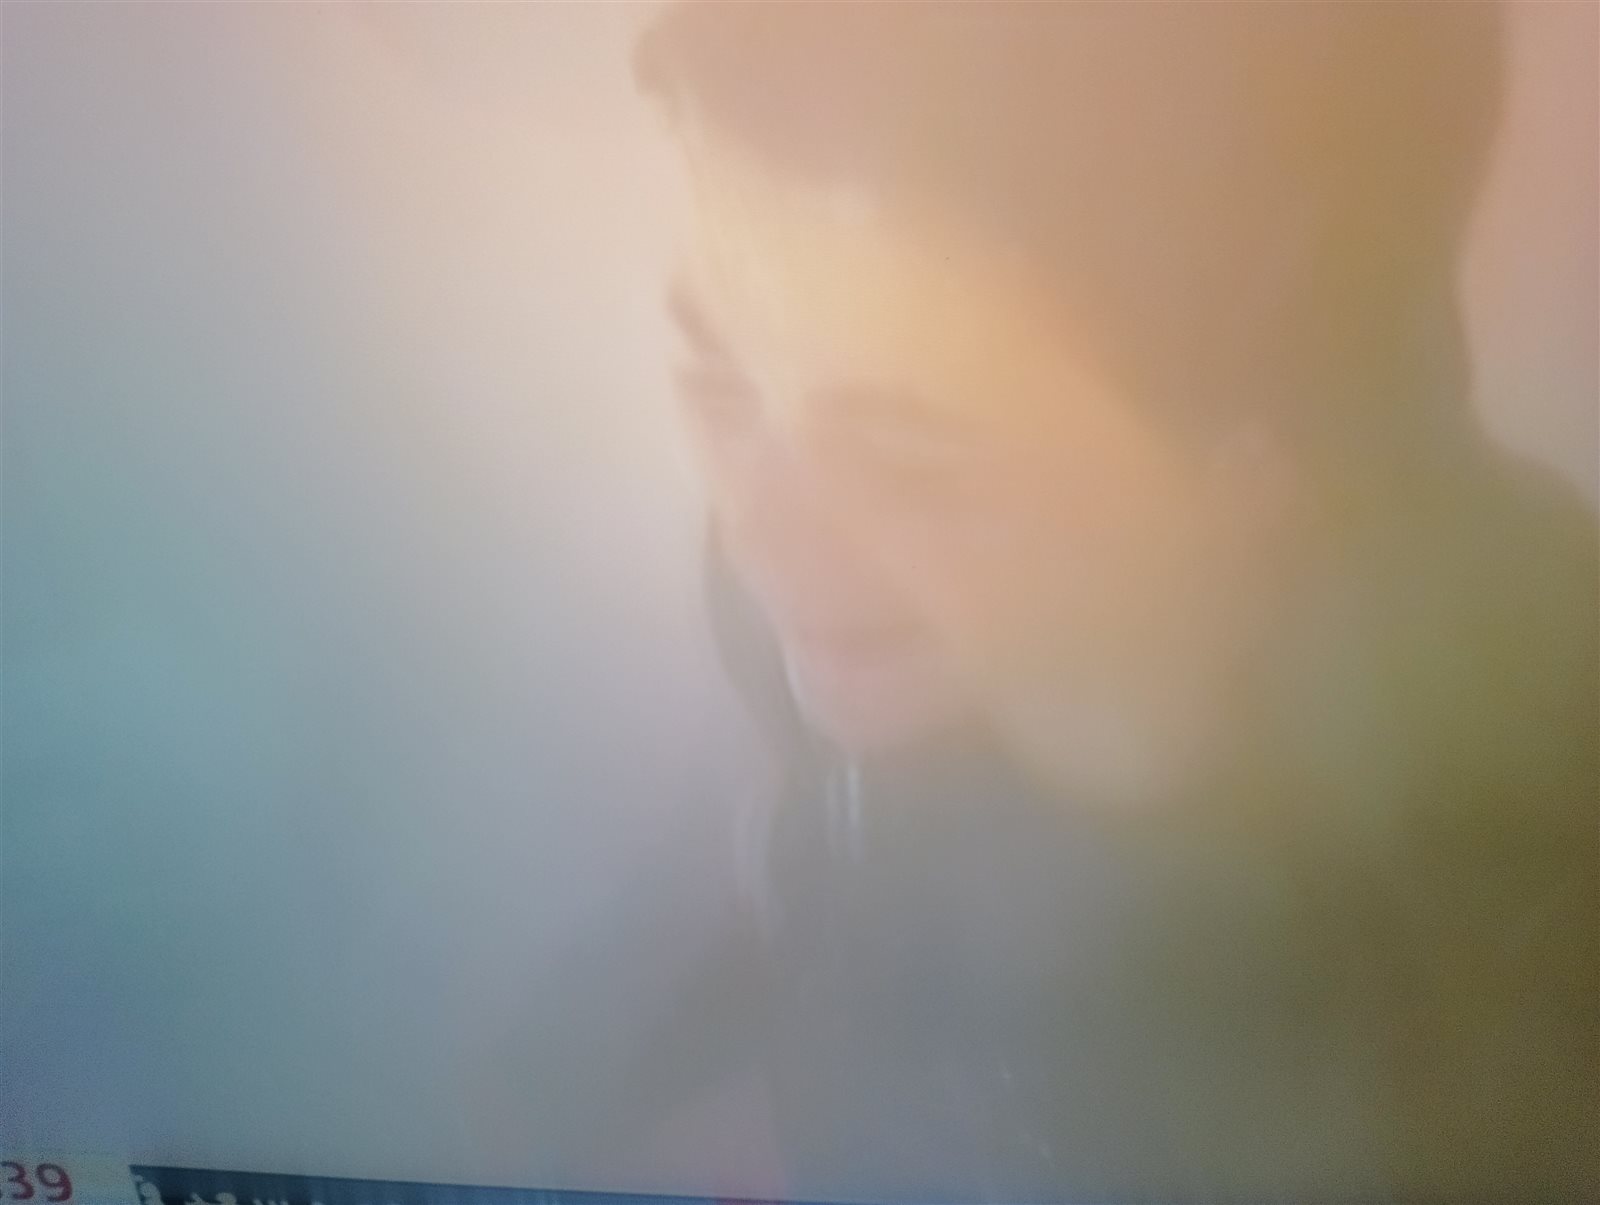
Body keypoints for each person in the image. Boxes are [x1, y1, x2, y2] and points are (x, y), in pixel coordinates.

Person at [482, 4, 1598, 1199]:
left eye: (906, 452)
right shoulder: (836, 611)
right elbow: (795, 858)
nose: (762, 529)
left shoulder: (1516, 859)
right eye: (721, 384)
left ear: (1272, 455)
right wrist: (537, 1104)